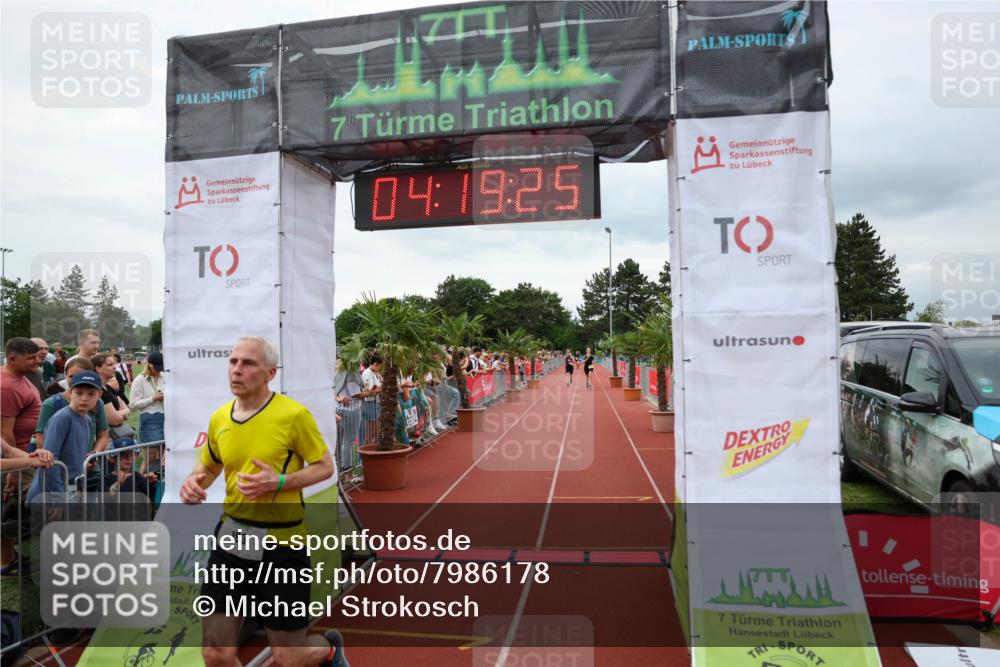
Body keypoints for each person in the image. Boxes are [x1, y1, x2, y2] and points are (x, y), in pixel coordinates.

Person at [178, 337, 343, 667]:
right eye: (233, 361)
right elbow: (210, 465)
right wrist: (193, 482)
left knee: (288, 656)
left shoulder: (293, 415)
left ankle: (329, 650)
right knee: (215, 653)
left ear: (269, 372)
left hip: (283, 544)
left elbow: (325, 467)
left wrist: (280, 482)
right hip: (231, 540)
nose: (237, 370)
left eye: (248, 363)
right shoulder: (220, 418)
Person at [27, 370, 104, 503]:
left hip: (70, 488)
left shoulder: (87, 419)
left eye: (91, 394)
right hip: (50, 494)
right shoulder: (62, 418)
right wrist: (58, 498)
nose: (84, 398)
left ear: (99, 395)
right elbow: (50, 460)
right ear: (69, 393)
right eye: (79, 393)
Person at [92, 353, 134, 449]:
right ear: (98, 369)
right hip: (106, 442)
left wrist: (121, 412)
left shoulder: (108, 388)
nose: (115, 367)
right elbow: (115, 420)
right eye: (110, 365)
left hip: (114, 439)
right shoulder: (98, 391)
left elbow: (123, 413)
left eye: (114, 364)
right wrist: (126, 410)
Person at [130, 352, 164, 444]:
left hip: (167, 417)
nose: (159, 370)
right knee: (151, 453)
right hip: (149, 419)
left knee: (164, 451)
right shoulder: (139, 380)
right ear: (149, 365)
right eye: (156, 368)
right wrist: (153, 399)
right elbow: (133, 405)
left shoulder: (165, 377)